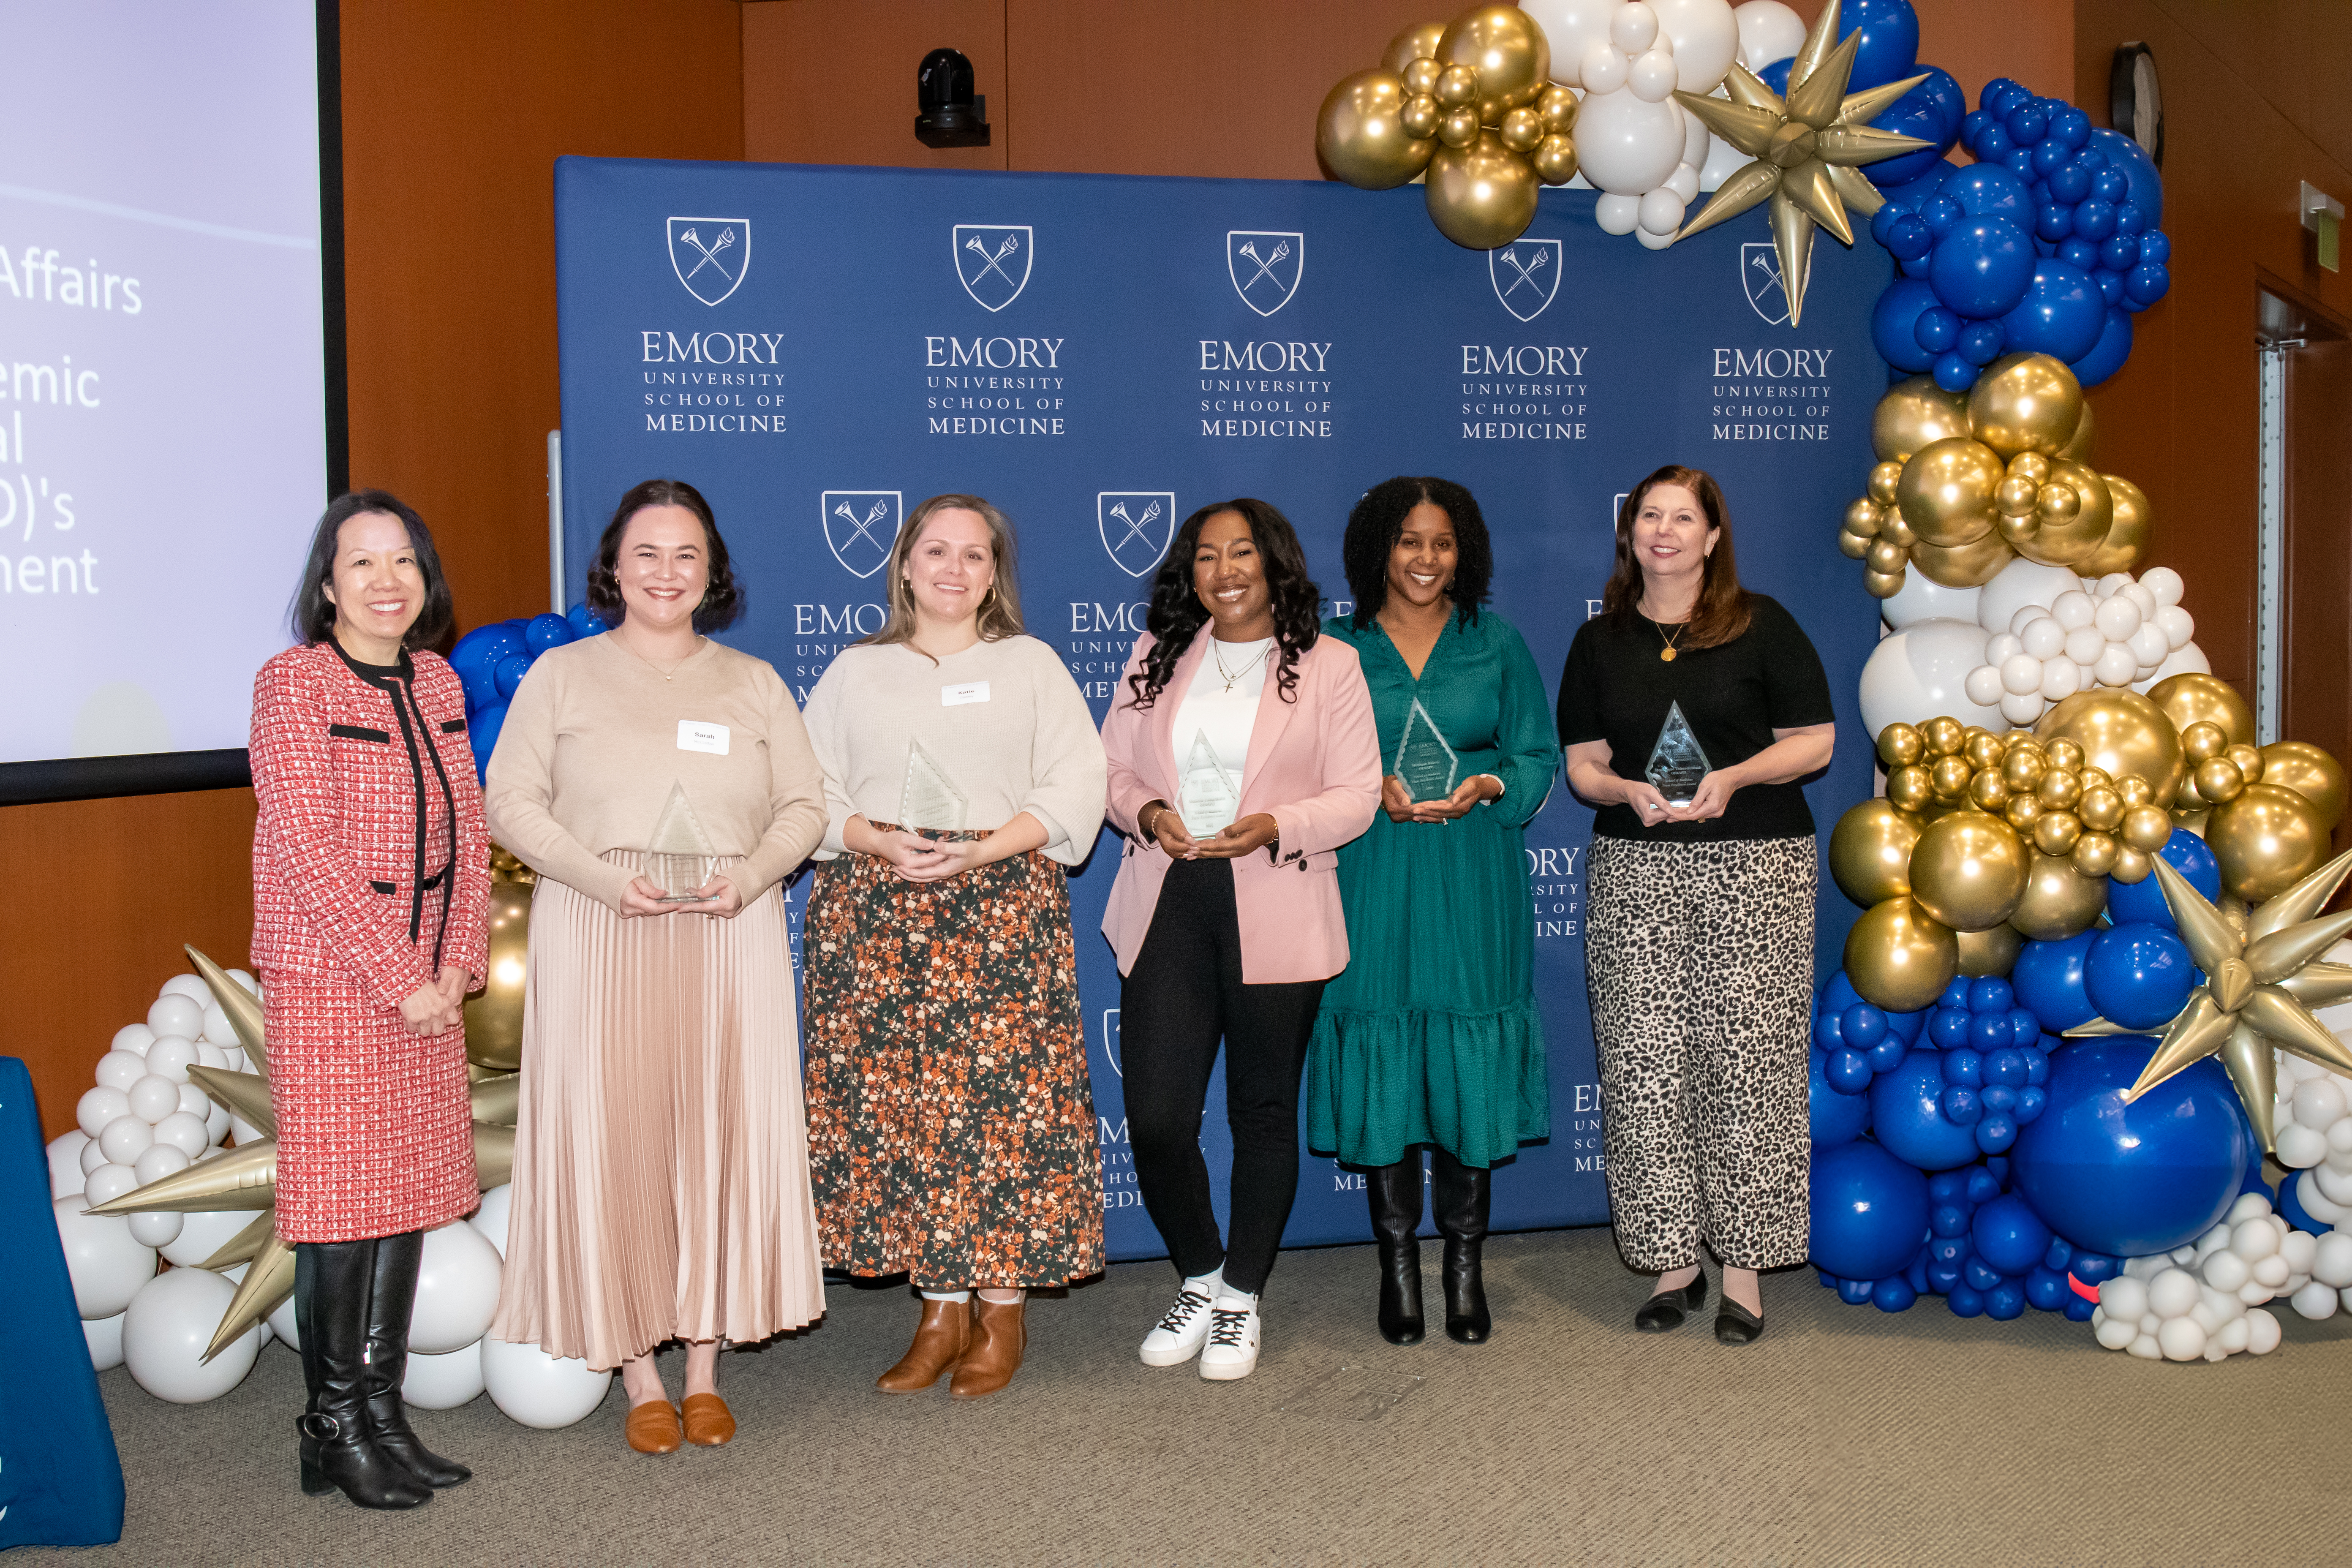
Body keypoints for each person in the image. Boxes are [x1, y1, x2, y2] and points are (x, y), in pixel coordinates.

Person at [485, 478, 828, 1454]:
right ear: (613, 567)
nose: (667, 572)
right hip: (601, 925)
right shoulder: (564, 677)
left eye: (686, 554)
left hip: (731, 927)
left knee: (718, 1130)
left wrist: (755, 873)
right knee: (617, 1135)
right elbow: (510, 799)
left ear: (712, 569)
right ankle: (637, 1367)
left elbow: (804, 806)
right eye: (647, 553)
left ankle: (706, 1366)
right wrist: (599, 877)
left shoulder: (755, 681)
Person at [799, 494, 1108, 1400]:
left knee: (1004, 1113)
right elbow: (803, 788)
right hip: (876, 914)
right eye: (937, 550)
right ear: (902, 564)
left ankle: (1001, 1308)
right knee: (905, 1110)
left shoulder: (1031, 665)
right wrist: (874, 837)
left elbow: (1076, 784)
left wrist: (980, 847)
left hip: (1002, 905)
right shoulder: (857, 672)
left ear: (994, 573)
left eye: (975, 555)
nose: (954, 568)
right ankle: (938, 1308)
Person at [1101, 498, 1381, 1382]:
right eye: (1208, 555)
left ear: (1275, 565)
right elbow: (1111, 768)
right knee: (1156, 1114)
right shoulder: (1157, 655)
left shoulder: (1329, 665)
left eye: (1243, 553)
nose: (1225, 570)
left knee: (1262, 1111)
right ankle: (1199, 1270)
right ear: (1191, 572)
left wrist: (1274, 822)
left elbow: (1359, 793)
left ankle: (1244, 1295)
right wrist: (1145, 810)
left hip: (1278, 894)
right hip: (1170, 892)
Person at [249, 489, 490, 1509]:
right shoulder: (292, 684)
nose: (388, 581)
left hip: (428, 987)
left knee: (402, 1201)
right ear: (327, 584)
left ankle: (383, 1413)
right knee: (341, 1212)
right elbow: (304, 848)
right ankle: (333, 1422)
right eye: (362, 563)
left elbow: (470, 838)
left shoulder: (435, 680)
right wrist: (402, 979)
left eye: (405, 561)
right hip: (336, 984)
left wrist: (457, 966)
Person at [1556, 466, 1835, 1346]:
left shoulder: (1763, 624)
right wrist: (1622, 789)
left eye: (1684, 518)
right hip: (1636, 869)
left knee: (1748, 1061)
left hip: (1757, 866)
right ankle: (1672, 1261)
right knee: (1643, 1061)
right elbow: (1581, 764)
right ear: (1629, 532)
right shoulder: (1599, 642)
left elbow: (1816, 743)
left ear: (1714, 536)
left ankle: (1744, 1268)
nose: (1664, 532)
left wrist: (1736, 775)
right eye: (1649, 516)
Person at [1305, 477, 1559, 1347]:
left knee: (1463, 1055)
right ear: (1378, 547)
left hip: (1471, 868)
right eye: (1409, 540)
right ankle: (1397, 1263)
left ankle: (1463, 1262)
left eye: (1442, 542)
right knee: (1382, 1040)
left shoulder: (1498, 642)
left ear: (1466, 552)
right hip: (1371, 869)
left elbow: (1536, 753)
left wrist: (1494, 782)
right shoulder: (1334, 647)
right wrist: (1361, 787)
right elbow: (1299, 762)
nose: (1425, 558)